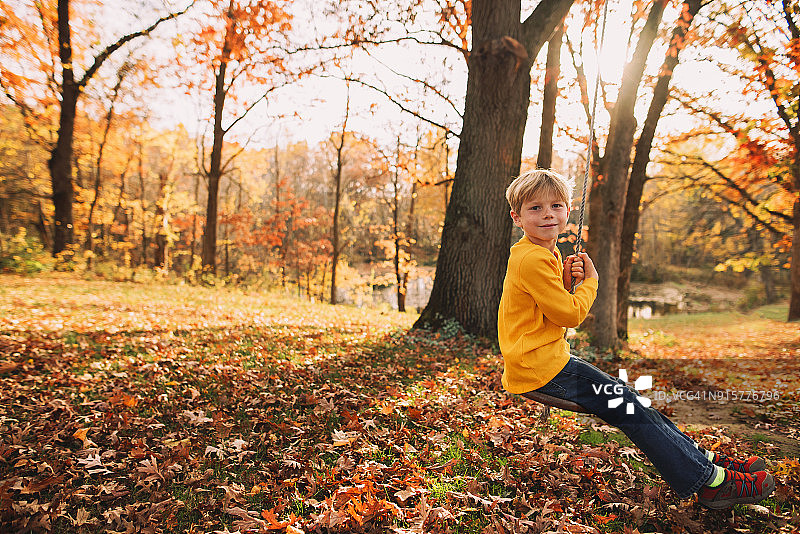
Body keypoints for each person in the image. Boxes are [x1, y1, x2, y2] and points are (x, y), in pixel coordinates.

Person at [497, 169, 774, 509]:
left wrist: (567, 283)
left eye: (556, 205)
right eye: (535, 208)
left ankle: (705, 462)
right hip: (541, 366)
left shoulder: (540, 253)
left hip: (545, 359)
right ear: (517, 216)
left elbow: (548, 310)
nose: (548, 214)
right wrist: (590, 283)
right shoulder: (533, 258)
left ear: (568, 211)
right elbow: (569, 316)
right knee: (629, 408)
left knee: (630, 400)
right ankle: (711, 483)